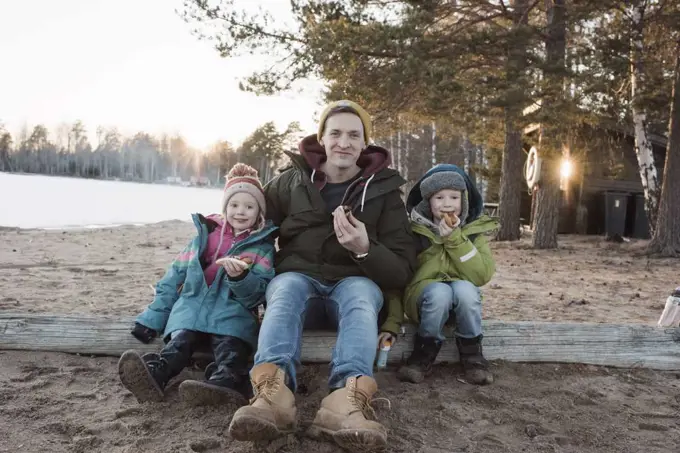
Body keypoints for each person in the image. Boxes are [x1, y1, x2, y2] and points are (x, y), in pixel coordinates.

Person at [228, 100, 416, 450]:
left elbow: (402, 268)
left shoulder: (386, 193)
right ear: (322, 138)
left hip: (354, 281)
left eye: (353, 135)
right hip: (299, 277)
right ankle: (273, 397)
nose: (344, 142)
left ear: (365, 144)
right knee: (283, 290)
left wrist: (364, 248)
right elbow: (250, 226)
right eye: (336, 133)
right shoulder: (291, 182)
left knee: (361, 296)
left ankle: (344, 402)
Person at [118, 164, 276, 407]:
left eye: (249, 206)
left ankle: (225, 382)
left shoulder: (261, 248)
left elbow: (257, 295)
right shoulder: (204, 239)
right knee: (179, 344)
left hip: (233, 315)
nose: (240, 212)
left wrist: (239, 278)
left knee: (230, 350)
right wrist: (150, 319)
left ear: (259, 212)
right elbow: (173, 278)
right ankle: (156, 375)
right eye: (234, 205)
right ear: (225, 207)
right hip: (191, 311)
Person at [398, 164, 499, 385]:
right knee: (440, 292)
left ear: (463, 201)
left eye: (454, 197)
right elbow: (402, 272)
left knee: (465, 290)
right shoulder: (416, 232)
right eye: (439, 198)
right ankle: (422, 353)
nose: (447, 204)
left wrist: (455, 240)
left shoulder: (472, 233)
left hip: (461, 302)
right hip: (424, 299)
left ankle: (472, 354)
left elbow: (482, 274)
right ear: (427, 202)